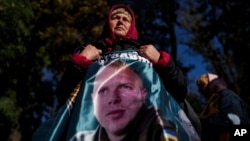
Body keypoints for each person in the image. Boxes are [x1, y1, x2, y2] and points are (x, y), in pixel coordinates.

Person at [55, 3, 201, 136]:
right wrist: (80, 62)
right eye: (115, 17)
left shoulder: (148, 52)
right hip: (96, 128)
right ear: (108, 23)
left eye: (126, 19)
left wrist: (161, 62)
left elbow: (179, 91)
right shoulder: (90, 51)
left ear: (132, 26)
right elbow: (64, 95)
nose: (120, 21)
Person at [83, 59, 179, 141]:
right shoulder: (82, 138)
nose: (112, 99)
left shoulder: (159, 129)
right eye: (102, 91)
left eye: (125, 87)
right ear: (93, 100)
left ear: (143, 95)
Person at [196, 73, 250, 141]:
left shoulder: (227, 95)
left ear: (212, 83)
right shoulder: (213, 103)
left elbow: (230, 118)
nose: (201, 90)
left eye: (203, 85)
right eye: (200, 87)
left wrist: (201, 124)